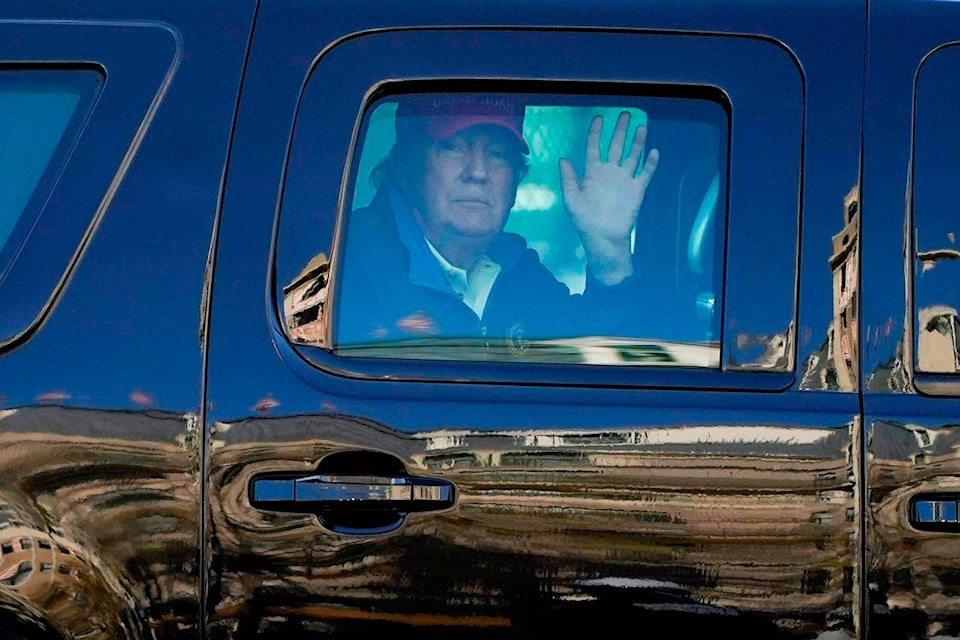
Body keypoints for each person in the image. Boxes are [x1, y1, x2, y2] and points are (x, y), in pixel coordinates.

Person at [335, 94, 659, 350]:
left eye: (497, 153)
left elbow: (608, 371)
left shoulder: (517, 272)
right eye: (453, 147)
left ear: (515, 184)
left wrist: (609, 256)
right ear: (406, 169)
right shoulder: (349, 266)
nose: (478, 171)